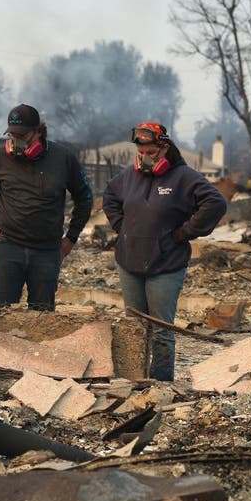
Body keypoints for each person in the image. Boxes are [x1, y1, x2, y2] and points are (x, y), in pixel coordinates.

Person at [103, 122, 227, 381]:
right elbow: (110, 196)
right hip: (129, 263)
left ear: (164, 148)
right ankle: (133, 380)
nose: (145, 158)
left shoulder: (184, 178)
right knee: (134, 328)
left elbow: (215, 203)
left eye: (151, 153)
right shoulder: (128, 177)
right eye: (141, 153)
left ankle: (160, 384)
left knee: (160, 330)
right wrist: (120, 226)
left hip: (165, 265)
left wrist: (184, 233)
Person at [0, 104, 93, 311]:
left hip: (46, 251)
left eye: (23, 135)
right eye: (12, 135)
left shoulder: (63, 158)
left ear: (39, 132)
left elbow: (85, 198)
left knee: (42, 316)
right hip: (7, 246)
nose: (17, 140)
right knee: (1, 314)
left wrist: (71, 238)